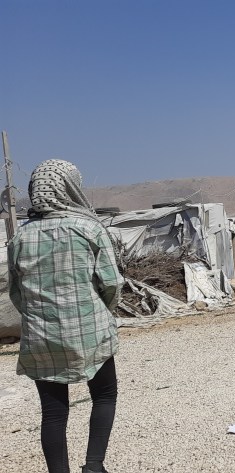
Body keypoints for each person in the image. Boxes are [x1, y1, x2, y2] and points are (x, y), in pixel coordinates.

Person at [8, 159, 123, 473]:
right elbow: (111, 283)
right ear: (71, 188)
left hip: (41, 337)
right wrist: (102, 312)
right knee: (105, 395)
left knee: (53, 414)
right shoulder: (88, 228)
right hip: (91, 331)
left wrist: (39, 316)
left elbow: (16, 293)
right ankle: (94, 466)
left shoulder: (20, 237)